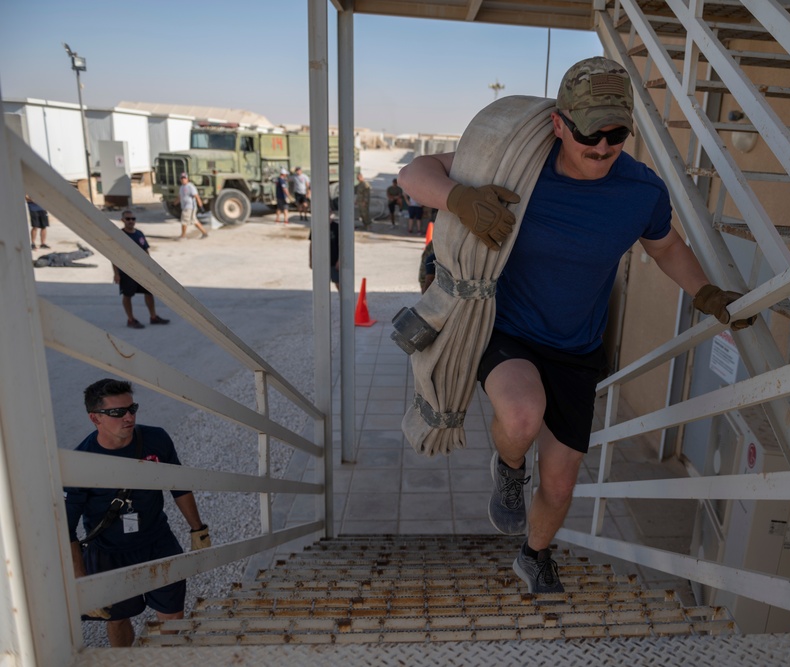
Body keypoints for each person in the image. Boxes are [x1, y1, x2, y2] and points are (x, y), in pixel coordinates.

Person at [398, 57, 756, 594]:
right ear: (559, 124)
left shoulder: (641, 191)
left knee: (562, 486)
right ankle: (510, 466)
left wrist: (705, 293)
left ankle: (534, 555)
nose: (604, 146)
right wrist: (461, 198)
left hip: (577, 348)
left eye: (617, 133)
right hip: (508, 328)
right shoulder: (516, 164)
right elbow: (413, 172)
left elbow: (666, 247)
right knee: (521, 415)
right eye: (591, 131)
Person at [64, 378, 210, 647]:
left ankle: (165, 658)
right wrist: (81, 580)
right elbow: (65, 528)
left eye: (132, 408)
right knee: (117, 618)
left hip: (158, 541)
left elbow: (178, 485)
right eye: (117, 412)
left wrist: (198, 529)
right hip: (109, 553)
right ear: (95, 418)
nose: (128, 417)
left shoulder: (156, 438)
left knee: (172, 613)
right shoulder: (81, 463)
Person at [113, 210, 170, 329]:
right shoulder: (119, 235)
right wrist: (116, 273)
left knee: (149, 292)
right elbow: (114, 255)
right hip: (127, 271)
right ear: (122, 220)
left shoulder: (139, 233)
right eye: (128, 219)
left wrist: (151, 267)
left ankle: (153, 317)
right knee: (127, 295)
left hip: (142, 270)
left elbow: (145, 251)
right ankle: (130, 319)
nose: (131, 221)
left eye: (133, 219)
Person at [174, 173, 209, 240]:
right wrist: (174, 204)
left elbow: (197, 197)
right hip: (184, 207)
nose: (183, 179)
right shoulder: (181, 187)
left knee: (184, 221)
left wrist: (201, 206)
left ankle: (183, 236)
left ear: (187, 179)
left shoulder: (190, 187)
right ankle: (205, 233)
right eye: (182, 178)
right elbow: (180, 197)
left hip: (189, 207)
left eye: (184, 178)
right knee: (194, 221)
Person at [308, 218, 340, 291]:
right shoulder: (316, 226)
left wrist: (339, 260)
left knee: (338, 283)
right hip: (320, 261)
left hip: (334, 261)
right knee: (321, 284)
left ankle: (343, 300)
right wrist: (311, 260)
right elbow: (312, 244)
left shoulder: (336, 227)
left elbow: (341, 245)